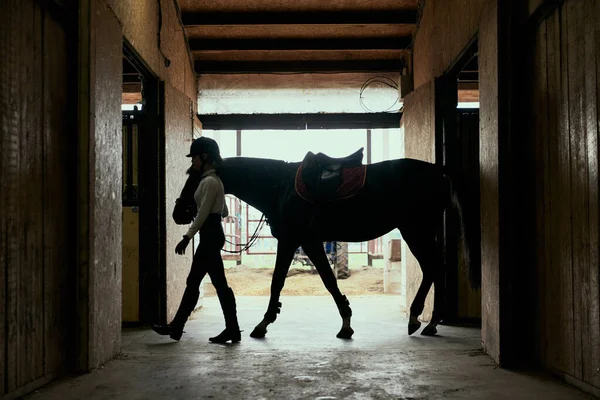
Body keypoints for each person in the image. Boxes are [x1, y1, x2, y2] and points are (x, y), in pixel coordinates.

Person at [152, 137, 241, 343]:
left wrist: (186, 237)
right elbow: (224, 210)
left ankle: (177, 327)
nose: (192, 161)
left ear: (205, 156)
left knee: (202, 282)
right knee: (213, 283)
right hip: (212, 234)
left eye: (194, 157)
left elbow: (202, 215)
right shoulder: (214, 181)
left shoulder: (209, 182)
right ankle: (229, 329)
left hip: (209, 235)